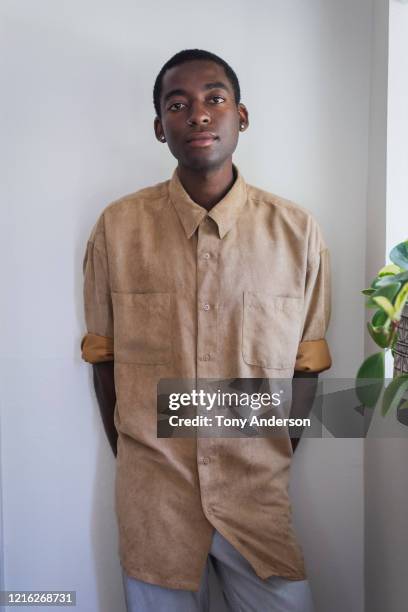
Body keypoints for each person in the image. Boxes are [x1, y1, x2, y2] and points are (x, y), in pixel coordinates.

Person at [81, 48, 332, 612]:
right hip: (155, 503)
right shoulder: (118, 229)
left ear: (241, 116)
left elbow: (307, 366)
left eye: (214, 99)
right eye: (178, 104)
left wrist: (269, 450)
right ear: (159, 126)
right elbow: (104, 359)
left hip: (256, 499)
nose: (198, 114)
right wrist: (137, 460)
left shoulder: (297, 233)